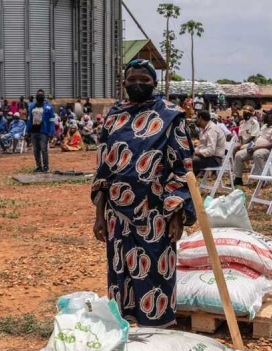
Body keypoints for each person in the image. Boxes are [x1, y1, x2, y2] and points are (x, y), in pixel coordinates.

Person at [91, 59, 196, 328]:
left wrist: (177, 214)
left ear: (155, 83)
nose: (138, 84)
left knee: (156, 273)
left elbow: (181, 167)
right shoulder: (114, 117)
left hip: (156, 212)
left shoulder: (170, 116)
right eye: (132, 79)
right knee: (120, 272)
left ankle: (160, 331)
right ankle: (126, 328)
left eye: (144, 80)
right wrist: (99, 216)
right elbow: (103, 170)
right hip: (117, 215)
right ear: (124, 83)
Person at [233, 108, 272, 185]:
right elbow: (257, 139)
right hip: (255, 147)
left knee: (257, 154)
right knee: (239, 155)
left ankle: (261, 179)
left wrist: (256, 147)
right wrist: (248, 146)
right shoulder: (264, 126)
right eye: (266, 115)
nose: (266, 116)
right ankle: (238, 178)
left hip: (268, 150)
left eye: (269, 115)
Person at [27, 89, 55, 173]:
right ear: (36, 96)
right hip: (34, 131)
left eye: (41, 95)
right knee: (36, 150)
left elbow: (52, 120)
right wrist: (28, 131)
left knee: (43, 149)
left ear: (43, 96)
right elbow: (29, 119)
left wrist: (50, 132)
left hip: (44, 131)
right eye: (38, 95)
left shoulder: (49, 107)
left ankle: (46, 167)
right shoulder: (32, 106)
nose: (39, 96)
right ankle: (38, 166)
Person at [192, 110, 226, 174]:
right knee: (187, 159)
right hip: (208, 158)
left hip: (215, 160)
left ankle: (189, 182)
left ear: (200, 118)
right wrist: (192, 151)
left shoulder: (212, 129)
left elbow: (210, 151)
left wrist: (194, 153)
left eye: (197, 118)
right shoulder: (204, 129)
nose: (196, 121)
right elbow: (200, 146)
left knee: (192, 161)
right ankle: (189, 182)